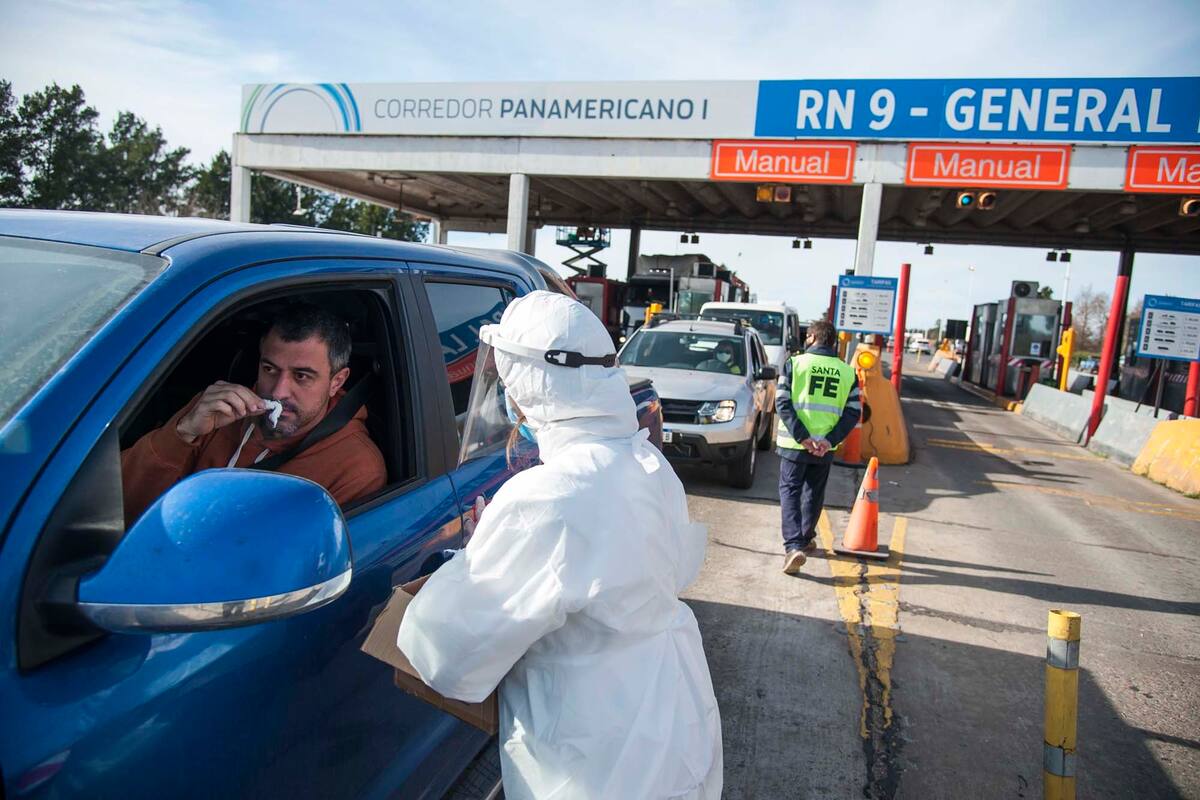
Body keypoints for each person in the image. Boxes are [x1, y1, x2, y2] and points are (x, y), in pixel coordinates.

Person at [397, 291, 723, 800]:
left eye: (507, 383)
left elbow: (447, 655)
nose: (507, 400)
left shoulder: (547, 497)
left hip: (590, 756)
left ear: (531, 387)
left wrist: (477, 558)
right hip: (667, 722)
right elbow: (661, 571)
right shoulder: (646, 463)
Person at [121, 302, 386, 523]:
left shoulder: (355, 469)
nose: (279, 392)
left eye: (302, 376)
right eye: (270, 369)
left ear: (336, 382)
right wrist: (182, 433)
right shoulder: (215, 411)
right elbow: (120, 504)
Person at [775, 319, 862, 575]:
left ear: (812, 337)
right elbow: (853, 412)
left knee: (790, 491)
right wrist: (829, 440)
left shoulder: (795, 364)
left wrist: (802, 437)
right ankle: (804, 538)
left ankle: (793, 547)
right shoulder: (847, 372)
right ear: (833, 341)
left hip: (794, 443)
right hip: (825, 448)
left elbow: (782, 403)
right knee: (813, 492)